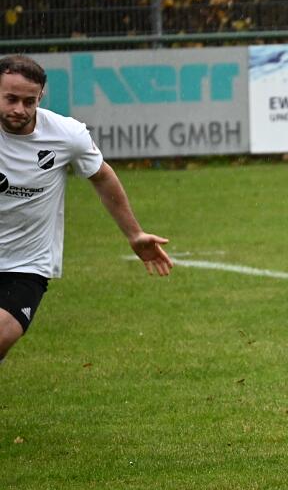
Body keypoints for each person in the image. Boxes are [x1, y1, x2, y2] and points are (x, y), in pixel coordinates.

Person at [0, 54, 173, 363]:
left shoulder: (66, 135)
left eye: (29, 101)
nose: (19, 109)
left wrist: (135, 234)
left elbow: (102, 177)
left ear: (41, 97)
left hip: (27, 262)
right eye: (11, 99)